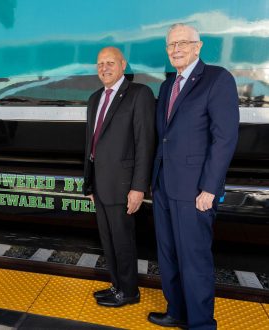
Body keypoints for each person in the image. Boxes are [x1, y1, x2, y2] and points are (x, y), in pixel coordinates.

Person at [148, 24, 239, 329]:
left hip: (195, 191)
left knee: (195, 260)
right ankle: (177, 311)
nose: (176, 49)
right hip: (163, 186)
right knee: (169, 255)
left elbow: (224, 138)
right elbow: (165, 138)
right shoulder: (167, 86)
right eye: (171, 45)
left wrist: (210, 189)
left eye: (183, 43)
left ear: (198, 46)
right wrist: (153, 183)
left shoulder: (217, 79)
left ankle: (200, 324)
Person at [83, 47, 155, 307]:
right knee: (109, 240)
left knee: (123, 241)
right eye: (100, 63)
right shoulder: (94, 99)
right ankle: (117, 287)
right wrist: (88, 183)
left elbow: (145, 144)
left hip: (124, 186)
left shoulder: (139, 94)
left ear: (123, 65)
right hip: (100, 185)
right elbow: (91, 146)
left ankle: (130, 292)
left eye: (110, 62)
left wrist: (138, 187)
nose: (104, 67)